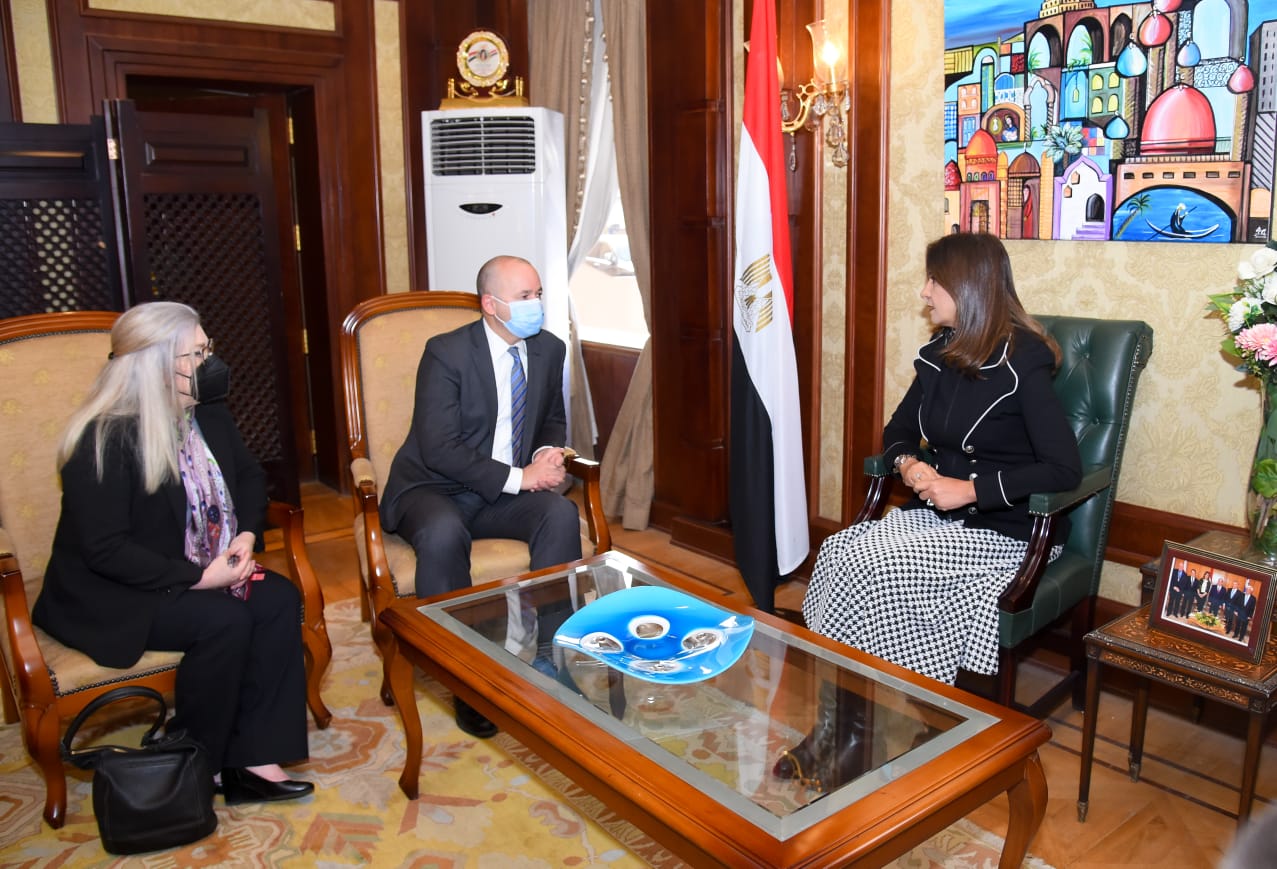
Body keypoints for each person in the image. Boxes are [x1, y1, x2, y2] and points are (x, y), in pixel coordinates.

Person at [781, 233, 1082, 790]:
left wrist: (970, 490)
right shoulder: (942, 353)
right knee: (840, 551)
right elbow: (897, 432)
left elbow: (1064, 469)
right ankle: (835, 729)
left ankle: (860, 738)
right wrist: (910, 467)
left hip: (1006, 530)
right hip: (941, 520)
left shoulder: (1024, 359)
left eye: (934, 281)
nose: (924, 292)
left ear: (968, 288)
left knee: (873, 567)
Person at [32, 302, 313, 805]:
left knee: (278, 599)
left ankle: (254, 758)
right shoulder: (104, 438)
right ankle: (196, 763)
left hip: (200, 565)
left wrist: (247, 536)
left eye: (207, 349)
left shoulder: (208, 412)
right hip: (117, 590)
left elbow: (250, 477)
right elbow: (105, 550)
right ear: (158, 365)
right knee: (223, 621)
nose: (210, 362)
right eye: (197, 353)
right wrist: (199, 579)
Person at [380, 254, 582, 738]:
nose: (536, 305)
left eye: (538, 294)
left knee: (559, 514)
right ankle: (466, 677)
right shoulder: (446, 353)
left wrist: (547, 454)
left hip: (500, 491)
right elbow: (439, 447)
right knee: (443, 533)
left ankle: (552, 655)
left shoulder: (549, 349)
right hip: (434, 486)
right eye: (524, 296)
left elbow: (552, 418)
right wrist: (520, 478)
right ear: (490, 305)